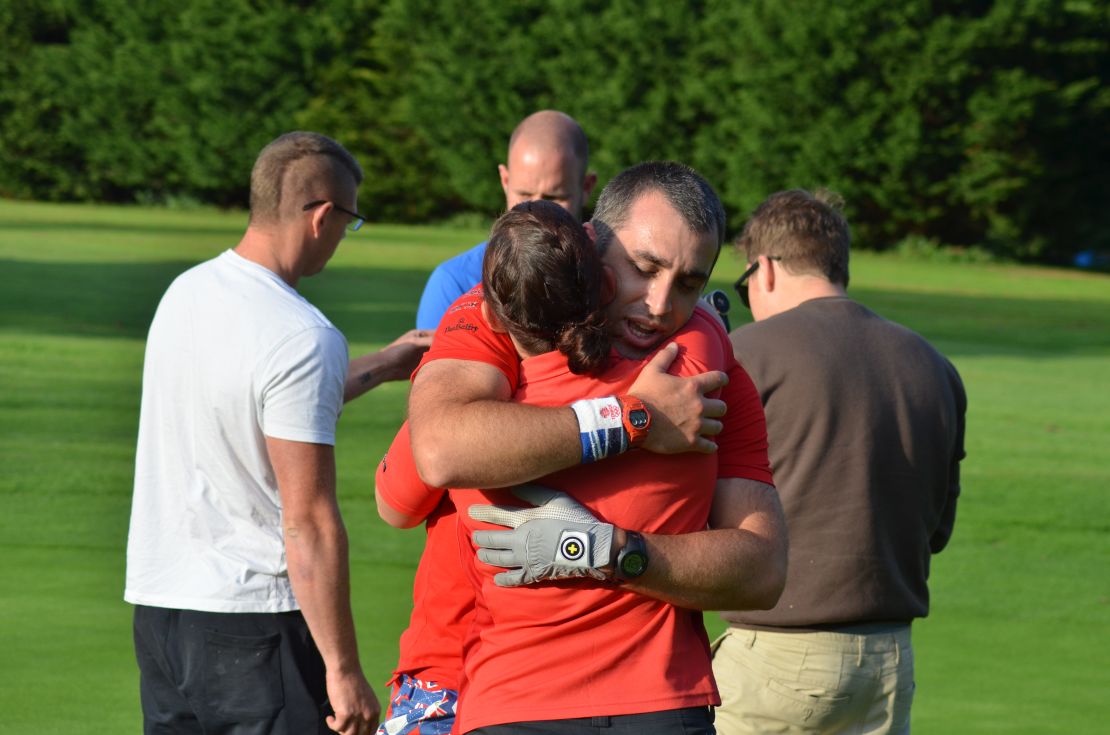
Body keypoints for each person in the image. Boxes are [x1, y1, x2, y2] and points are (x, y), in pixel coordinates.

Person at [387, 163, 789, 734]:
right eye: (643, 268)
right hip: (511, 701)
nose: (658, 304)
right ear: (590, 239)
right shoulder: (500, 312)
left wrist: (609, 551)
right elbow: (439, 450)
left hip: (660, 705)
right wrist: (633, 418)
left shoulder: (711, 372)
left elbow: (764, 572)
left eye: (690, 283)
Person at [125, 131, 381, 735]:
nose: (345, 235)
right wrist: (343, 671)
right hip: (253, 626)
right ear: (322, 215)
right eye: (350, 221)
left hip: (162, 615)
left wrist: (379, 365)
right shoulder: (302, 335)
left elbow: (256, 407)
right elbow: (310, 522)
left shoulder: (185, 293)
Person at [712, 189, 967, 735]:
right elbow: (938, 530)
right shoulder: (935, 366)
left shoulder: (749, 353)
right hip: (890, 662)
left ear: (766, 269)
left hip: (776, 655)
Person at [414, 109, 597, 330]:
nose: (536, 212)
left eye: (553, 198)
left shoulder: (612, 275)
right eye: (524, 195)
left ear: (586, 187)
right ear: (505, 180)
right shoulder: (455, 282)